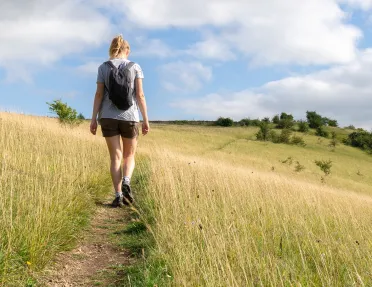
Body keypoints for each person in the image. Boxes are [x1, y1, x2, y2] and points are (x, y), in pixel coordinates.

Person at [90, 35, 149, 207]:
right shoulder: (135, 66)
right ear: (127, 50)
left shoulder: (103, 67)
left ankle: (117, 196)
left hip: (107, 117)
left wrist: (93, 119)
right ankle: (127, 181)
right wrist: (145, 119)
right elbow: (140, 95)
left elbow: (99, 94)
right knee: (129, 155)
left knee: (115, 158)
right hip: (130, 116)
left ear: (111, 50)